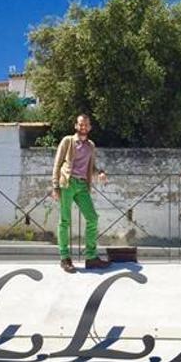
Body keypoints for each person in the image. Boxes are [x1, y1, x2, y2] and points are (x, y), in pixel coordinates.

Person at [51, 114, 111, 273]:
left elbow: (91, 167)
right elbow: (57, 164)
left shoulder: (91, 145)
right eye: (81, 124)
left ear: (90, 127)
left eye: (86, 125)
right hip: (67, 184)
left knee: (92, 218)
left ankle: (91, 257)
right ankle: (65, 258)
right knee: (65, 221)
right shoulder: (67, 141)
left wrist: (100, 173)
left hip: (83, 186)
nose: (83, 127)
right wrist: (55, 186)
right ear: (76, 126)